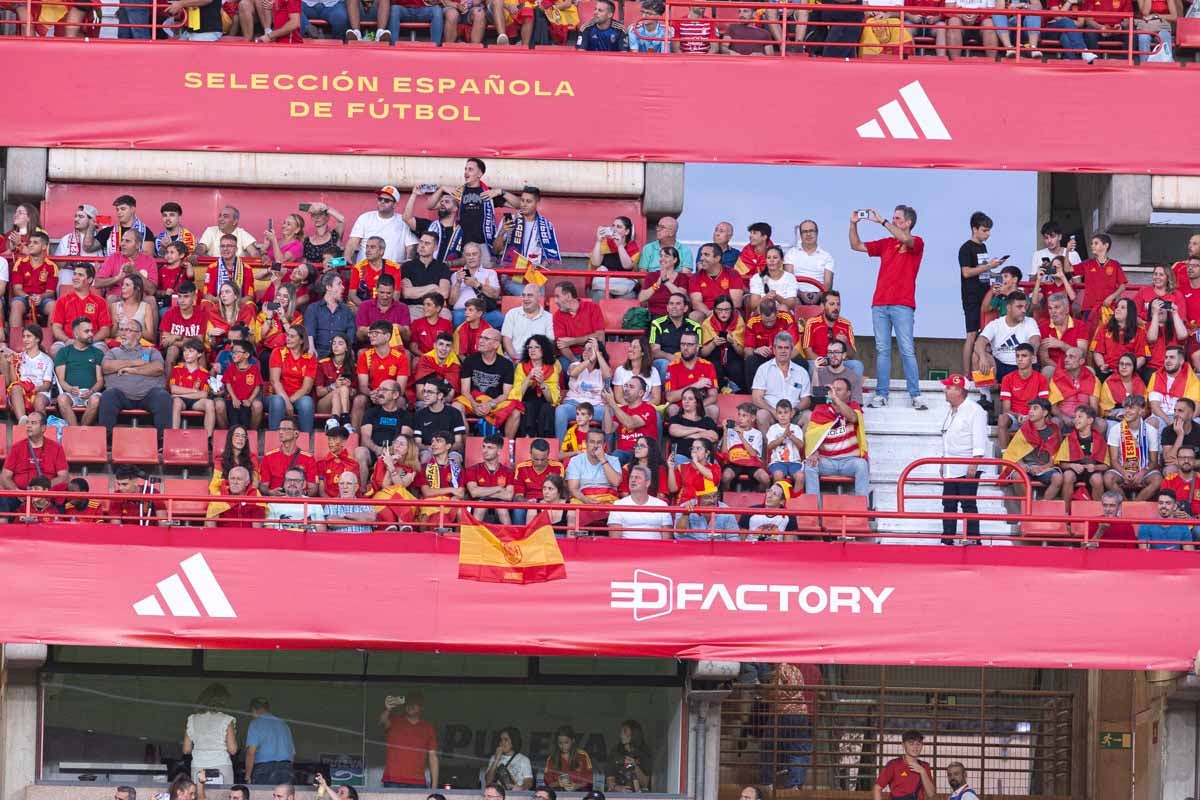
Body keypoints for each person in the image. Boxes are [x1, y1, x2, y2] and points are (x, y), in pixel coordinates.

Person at [850, 205, 926, 410]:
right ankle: (881, 394)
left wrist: (883, 221)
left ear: (908, 222)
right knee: (882, 350)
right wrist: (853, 223)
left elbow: (906, 240)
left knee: (907, 349)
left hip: (903, 304)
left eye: (898, 218)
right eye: (893, 218)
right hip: (880, 304)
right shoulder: (886, 243)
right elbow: (855, 245)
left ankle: (915, 394)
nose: (894, 221)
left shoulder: (917, 242)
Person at [99, 319, 171, 440]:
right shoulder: (113, 352)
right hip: (120, 395)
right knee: (108, 396)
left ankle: (163, 441)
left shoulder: (150, 351)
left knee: (162, 396)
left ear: (138, 335)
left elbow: (157, 368)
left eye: (128, 330)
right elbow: (106, 367)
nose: (123, 333)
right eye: (121, 329)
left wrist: (132, 370)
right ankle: (107, 441)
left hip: (148, 395)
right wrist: (135, 363)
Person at [939, 375, 988, 544]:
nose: (945, 390)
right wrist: (943, 461)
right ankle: (947, 539)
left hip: (967, 465)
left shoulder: (975, 410)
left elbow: (980, 437)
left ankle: (974, 539)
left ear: (959, 391)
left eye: (949, 388)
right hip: (951, 465)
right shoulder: (952, 410)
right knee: (948, 504)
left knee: (968, 504)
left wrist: (975, 462)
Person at [958, 211, 1006, 380]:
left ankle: (979, 371)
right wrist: (988, 267)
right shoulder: (966, 248)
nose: (988, 234)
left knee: (985, 333)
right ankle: (966, 375)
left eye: (989, 230)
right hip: (971, 296)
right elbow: (967, 272)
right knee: (971, 334)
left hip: (985, 293)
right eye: (985, 230)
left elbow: (983, 272)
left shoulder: (983, 247)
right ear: (974, 229)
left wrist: (995, 270)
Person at [804, 377, 871, 497]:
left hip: (849, 461)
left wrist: (835, 399)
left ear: (848, 393)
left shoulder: (854, 406)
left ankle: (862, 509)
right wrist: (814, 452)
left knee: (862, 465)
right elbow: (812, 435)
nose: (834, 392)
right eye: (833, 389)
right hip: (827, 461)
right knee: (809, 465)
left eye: (838, 390)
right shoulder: (820, 410)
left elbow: (853, 418)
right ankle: (813, 509)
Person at [974, 292, 1041, 410]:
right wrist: (983, 358)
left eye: (1025, 307)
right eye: (1019, 307)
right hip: (1000, 367)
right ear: (1009, 308)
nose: (1024, 310)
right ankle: (986, 397)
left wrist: (1032, 352)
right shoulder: (995, 324)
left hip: (1022, 366)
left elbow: (1035, 339)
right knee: (977, 355)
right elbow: (979, 342)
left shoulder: (1030, 322)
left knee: (1028, 358)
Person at [0, 412, 69, 513]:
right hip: (20, 496)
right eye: (27, 423)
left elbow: (63, 477)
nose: (28, 426)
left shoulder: (56, 448)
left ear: (43, 428)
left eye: (33, 423)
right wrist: (17, 492)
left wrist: (42, 490)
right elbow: (5, 477)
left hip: (47, 496)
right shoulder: (17, 448)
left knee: (63, 505)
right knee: (3, 503)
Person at [1001, 398, 1064, 500]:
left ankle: (1043, 504)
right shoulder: (1024, 430)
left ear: (1044, 413)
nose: (1030, 411)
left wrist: (1041, 468)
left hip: (1044, 468)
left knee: (1058, 478)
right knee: (1017, 476)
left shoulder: (1053, 431)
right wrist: (1024, 466)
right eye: (1030, 409)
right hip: (1026, 468)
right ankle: (1028, 503)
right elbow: (1015, 454)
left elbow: (1054, 459)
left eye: (1035, 409)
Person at [1105, 395, 1163, 501]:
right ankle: (1125, 505)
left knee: (1157, 480)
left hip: (1144, 470)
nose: (1126, 411)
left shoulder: (1151, 431)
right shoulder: (1115, 429)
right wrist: (1124, 472)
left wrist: (1142, 472)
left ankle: (1134, 505)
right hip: (1122, 470)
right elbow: (1113, 460)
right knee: (1108, 478)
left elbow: (1154, 461)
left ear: (1141, 411)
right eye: (1125, 408)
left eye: (1131, 408)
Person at [751, 333, 811, 433]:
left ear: (792, 350)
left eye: (786, 348)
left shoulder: (801, 372)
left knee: (809, 416)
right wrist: (772, 410)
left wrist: (794, 411)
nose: (783, 351)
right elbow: (756, 398)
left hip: (794, 415)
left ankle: (802, 448)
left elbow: (806, 400)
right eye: (780, 347)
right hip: (772, 414)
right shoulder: (763, 369)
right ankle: (768, 448)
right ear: (774, 350)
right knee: (761, 415)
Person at [565, 428, 622, 529]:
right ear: (586, 444)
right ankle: (573, 543)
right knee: (571, 514)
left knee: (617, 515)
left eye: (599, 443)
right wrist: (585, 499)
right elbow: (573, 489)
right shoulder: (575, 461)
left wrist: (602, 459)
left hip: (608, 500)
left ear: (604, 445)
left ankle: (613, 544)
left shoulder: (613, 460)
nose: (595, 446)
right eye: (592, 442)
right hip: (583, 499)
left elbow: (616, 482)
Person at [996, 343, 1050, 449]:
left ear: (1033, 358)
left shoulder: (1041, 379)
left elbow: (1043, 406)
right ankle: (1005, 457)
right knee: (1002, 418)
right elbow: (1006, 409)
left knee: (1046, 419)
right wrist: (1018, 416)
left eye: (1024, 356)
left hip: (1035, 416)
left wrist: (1030, 416)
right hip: (1015, 417)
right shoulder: (1007, 378)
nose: (1020, 359)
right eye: (1017, 356)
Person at [380, 692, 439, 788]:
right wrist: (388, 708)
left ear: (421, 707)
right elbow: (382, 722)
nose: (410, 705)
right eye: (408, 703)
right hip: (392, 780)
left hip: (417, 782)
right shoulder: (394, 721)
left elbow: (433, 757)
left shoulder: (428, 728)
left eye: (415, 703)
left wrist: (434, 786)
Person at [556, 338, 611, 440]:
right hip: (574, 404)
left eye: (590, 349)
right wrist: (590, 360)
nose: (586, 352)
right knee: (560, 411)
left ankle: (606, 450)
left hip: (595, 406)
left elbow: (607, 376)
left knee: (609, 413)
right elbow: (573, 373)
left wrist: (597, 355)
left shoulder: (602, 368)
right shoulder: (575, 365)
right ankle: (560, 449)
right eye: (584, 349)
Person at [54, 317, 104, 425]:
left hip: (91, 393)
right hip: (71, 393)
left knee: (96, 400)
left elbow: (100, 380)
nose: (91, 334)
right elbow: (61, 380)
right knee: (62, 399)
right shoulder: (63, 352)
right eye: (87, 331)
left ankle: (81, 431)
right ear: (76, 334)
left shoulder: (98, 353)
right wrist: (70, 389)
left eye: (92, 331)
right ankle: (75, 430)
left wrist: (91, 391)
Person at [183, 684, 238, 785]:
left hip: (198, 766)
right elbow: (233, 750)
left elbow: (186, 749)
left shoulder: (192, 719)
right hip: (221, 765)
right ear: (223, 701)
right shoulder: (226, 719)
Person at [800, 290, 863, 377]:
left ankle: (847, 390)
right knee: (811, 365)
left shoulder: (846, 324)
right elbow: (808, 352)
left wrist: (845, 343)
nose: (836, 308)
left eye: (838, 304)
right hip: (820, 362)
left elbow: (852, 355)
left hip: (840, 364)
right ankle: (820, 391)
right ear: (822, 306)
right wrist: (826, 363)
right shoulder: (812, 323)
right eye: (832, 304)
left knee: (857, 365)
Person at [1, 325, 53, 422]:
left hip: (40, 391)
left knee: (39, 401)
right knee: (16, 388)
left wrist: (36, 389)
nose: (25, 339)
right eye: (24, 336)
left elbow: (46, 385)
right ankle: (22, 421)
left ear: (37, 339)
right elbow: (14, 382)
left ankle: (39, 426)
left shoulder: (47, 360)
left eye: (29, 336)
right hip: (22, 391)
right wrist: (12, 363)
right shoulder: (19, 357)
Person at [1057, 406, 1109, 504]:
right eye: (1075, 417)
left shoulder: (1099, 439)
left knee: (1097, 479)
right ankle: (1065, 513)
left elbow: (1106, 465)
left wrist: (1095, 467)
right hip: (1074, 470)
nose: (1075, 420)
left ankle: (1097, 513)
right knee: (1067, 475)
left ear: (1090, 420)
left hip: (1092, 470)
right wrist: (1072, 465)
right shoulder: (1069, 439)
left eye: (1080, 417)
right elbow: (1061, 463)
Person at [608, 465, 673, 539]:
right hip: (627, 548)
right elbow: (615, 539)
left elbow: (667, 540)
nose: (633, 480)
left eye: (637, 477)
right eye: (631, 477)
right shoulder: (618, 505)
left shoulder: (662, 505)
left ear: (647, 483)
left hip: (655, 549)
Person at [699, 294, 746, 392]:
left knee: (737, 367)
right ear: (714, 310)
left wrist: (733, 342)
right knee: (714, 367)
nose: (723, 313)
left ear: (732, 309)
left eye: (727, 310)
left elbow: (743, 353)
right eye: (720, 310)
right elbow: (702, 353)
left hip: (733, 356)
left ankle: (738, 394)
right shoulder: (707, 323)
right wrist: (713, 343)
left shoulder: (739, 322)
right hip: (714, 356)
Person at [552, 281, 606, 366]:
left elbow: (600, 337)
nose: (555, 301)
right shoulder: (557, 316)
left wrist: (573, 341)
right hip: (571, 357)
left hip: (593, 352)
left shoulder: (592, 307)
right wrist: (576, 362)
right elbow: (562, 345)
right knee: (565, 367)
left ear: (569, 296)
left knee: (603, 369)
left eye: (558, 297)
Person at [245, 697, 296, 785]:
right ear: (267, 709)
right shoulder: (284, 724)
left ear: (253, 710)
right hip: (286, 769)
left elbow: (251, 752)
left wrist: (248, 775)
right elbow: (292, 753)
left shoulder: (255, 723)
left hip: (264, 769)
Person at [305, 273, 357, 359]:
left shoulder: (346, 310)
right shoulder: (313, 308)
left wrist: (349, 349)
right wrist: (311, 348)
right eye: (339, 284)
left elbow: (350, 333)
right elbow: (310, 330)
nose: (343, 287)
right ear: (328, 287)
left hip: (340, 353)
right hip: (318, 351)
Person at [1077, 234, 1128, 321]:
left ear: (1106, 245)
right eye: (1091, 244)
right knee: (1088, 333)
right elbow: (1067, 269)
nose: (1092, 246)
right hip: (1089, 307)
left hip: (1108, 307)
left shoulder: (1115, 264)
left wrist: (1111, 297)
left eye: (1096, 243)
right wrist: (1068, 251)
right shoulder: (1087, 263)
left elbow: (1123, 285)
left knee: (1107, 333)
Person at [873, 730, 935, 800]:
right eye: (911, 744)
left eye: (918, 744)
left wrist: (922, 772)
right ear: (903, 745)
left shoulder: (924, 766)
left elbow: (931, 794)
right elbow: (877, 788)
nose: (915, 747)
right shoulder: (893, 765)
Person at [784, 221, 835, 304]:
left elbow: (828, 283)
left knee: (828, 301)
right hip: (796, 295)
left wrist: (818, 296)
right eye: (805, 232)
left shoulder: (827, 257)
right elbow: (788, 280)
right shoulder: (791, 254)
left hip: (820, 295)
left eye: (811, 231)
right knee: (792, 300)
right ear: (800, 235)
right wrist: (801, 294)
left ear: (817, 233)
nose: (808, 234)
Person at [722, 402, 770, 491]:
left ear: (752, 418)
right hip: (734, 462)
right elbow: (724, 452)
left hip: (751, 462)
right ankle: (726, 496)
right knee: (725, 477)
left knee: (765, 479)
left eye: (744, 416)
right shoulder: (730, 431)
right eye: (739, 415)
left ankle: (759, 494)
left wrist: (741, 437)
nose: (740, 418)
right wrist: (725, 432)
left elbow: (754, 454)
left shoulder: (757, 433)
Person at [501, 283, 554, 361]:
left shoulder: (548, 317)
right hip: (514, 356)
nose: (525, 298)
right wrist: (515, 358)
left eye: (530, 295)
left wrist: (538, 359)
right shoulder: (512, 313)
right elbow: (506, 340)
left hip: (539, 358)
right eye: (523, 295)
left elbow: (549, 341)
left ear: (539, 297)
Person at [674, 484, 741, 540]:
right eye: (707, 497)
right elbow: (678, 535)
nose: (712, 501)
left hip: (718, 551)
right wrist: (685, 515)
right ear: (698, 498)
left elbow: (733, 538)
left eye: (714, 496)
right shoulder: (685, 506)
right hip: (692, 550)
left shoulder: (726, 510)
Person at [765, 399, 805, 492]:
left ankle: (795, 502)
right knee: (778, 475)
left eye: (786, 412)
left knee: (800, 476)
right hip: (777, 462)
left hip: (794, 462)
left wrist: (790, 436)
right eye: (780, 413)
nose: (783, 415)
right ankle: (776, 498)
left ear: (791, 414)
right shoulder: (773, 429)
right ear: (776, 414)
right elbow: (770, 446)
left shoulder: (796, 428)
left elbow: (801, 445)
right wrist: (782, 437)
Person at [813, 339, 865, 405]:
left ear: (844, 355)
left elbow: (856, 404)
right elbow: (817, 399)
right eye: (830, 352)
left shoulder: (853, 377)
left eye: (836, 352)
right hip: (824, 411)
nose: (832, 356)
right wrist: (815, 371)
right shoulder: (820, 372)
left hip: (844, 413)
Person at [748, 246, 798, 313]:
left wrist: (777, 297)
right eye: (768, 258)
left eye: (775, 257)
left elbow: (791, 305)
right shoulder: (757, 278)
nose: (771, 260)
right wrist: (766, 297)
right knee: (763, 307)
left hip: (783, 312)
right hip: (762, 312)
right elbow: (753, 305)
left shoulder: (790, 278)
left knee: (783, 308)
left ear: (782, 260)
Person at [607, 721, 651, 793]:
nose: (621, 735)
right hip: (619, 796)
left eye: (625, 731)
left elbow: (645, 784)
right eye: (621, 732)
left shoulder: (644, 753)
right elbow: (610, 780)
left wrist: (634, 765)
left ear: (634, 733)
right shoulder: (615, 752)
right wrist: (619, 788)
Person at [545, 725, 593, 792]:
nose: (563, 746)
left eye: (566, 742)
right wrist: (559, 783)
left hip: (580, 794)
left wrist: (577, 786)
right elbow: (548, 783)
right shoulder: (551, 758)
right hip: (558, 795)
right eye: (560, 743)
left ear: (573, 741)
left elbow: (590, 779)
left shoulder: (582, 755)